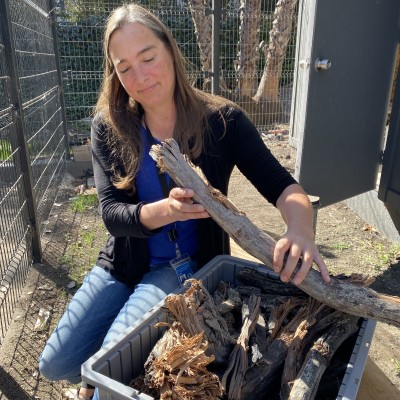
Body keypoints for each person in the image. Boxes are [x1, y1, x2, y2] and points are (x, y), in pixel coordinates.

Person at [39, 3, 330, 399]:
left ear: (170, 51)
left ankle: (100, 385)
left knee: (107, 370)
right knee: (54, 364)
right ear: (114, 73)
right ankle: (98, 377)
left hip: (184, 268)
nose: (139, 77)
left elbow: (284, 186)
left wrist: (299, 229)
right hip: (124, 262)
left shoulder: (223, 120)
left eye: (148, 57)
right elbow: (112, 214)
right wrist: (169, 211)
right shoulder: (108, 125)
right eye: (124, 68)